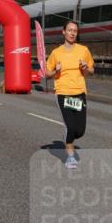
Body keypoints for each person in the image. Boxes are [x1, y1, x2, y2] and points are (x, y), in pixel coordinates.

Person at [44, 20, 94, 170]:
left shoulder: (83, 50)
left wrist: (86, 67)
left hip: (79, 93)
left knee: (80, 130)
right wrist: (56, 71)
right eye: (70, 30)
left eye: (75, 31)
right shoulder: (56, 53)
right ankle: (70, 157)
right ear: (63, 32)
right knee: (71, 127)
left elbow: (92, 70)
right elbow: (47, 73)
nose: (72, 33)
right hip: (63, 93)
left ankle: (68, 135)